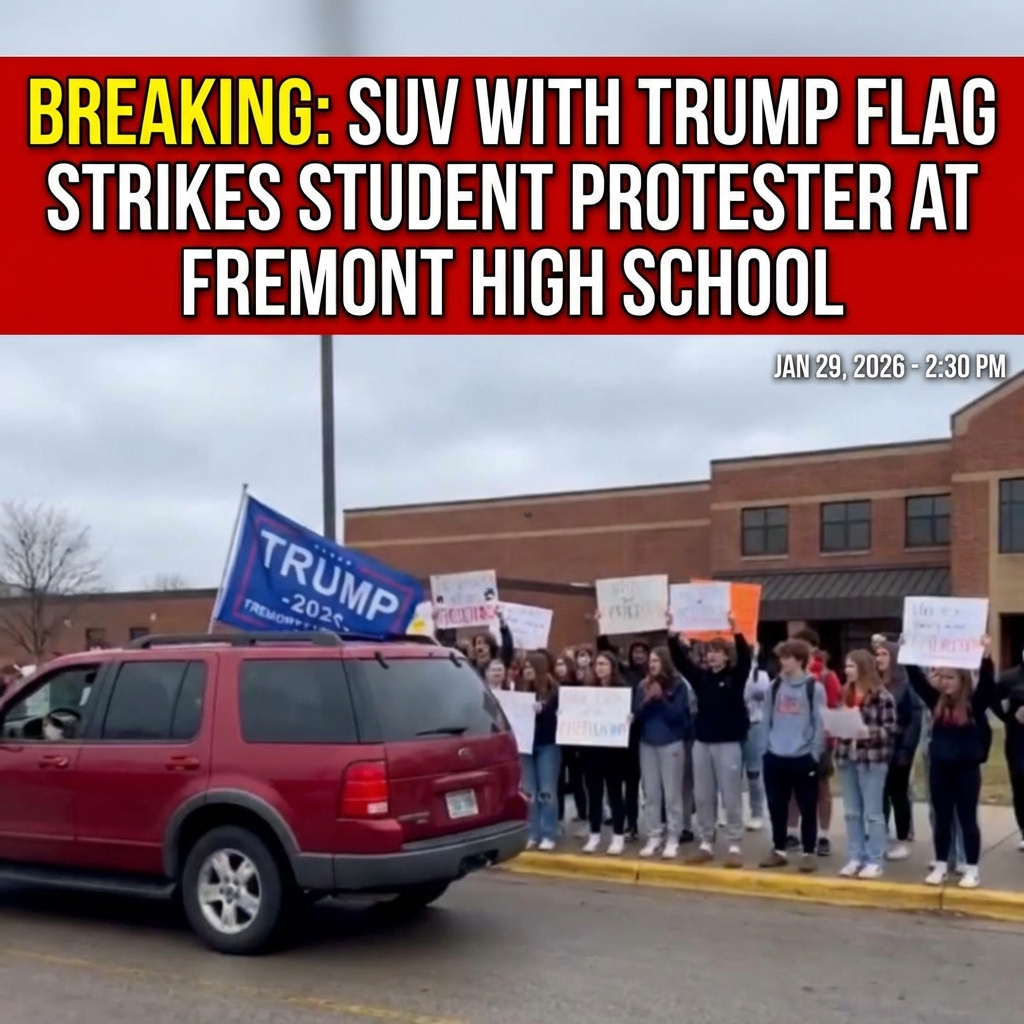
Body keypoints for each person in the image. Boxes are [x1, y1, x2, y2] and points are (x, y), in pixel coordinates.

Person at [904, 636, 996, 889]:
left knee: (967, 818)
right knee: (941, 817)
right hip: (940, 767)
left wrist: (986, 656)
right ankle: (941, 864)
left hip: (966, 768)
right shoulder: (936, 701)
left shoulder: (974, 703)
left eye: (950, 677)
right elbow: (916, 680)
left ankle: (972, 868)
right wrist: (908, 650)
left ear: (962, 679)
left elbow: (988, 683)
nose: (944, 682)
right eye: (942, 677)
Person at [668, 616, 752, 868]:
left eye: (717, 652)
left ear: (727, 656)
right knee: (703, 796)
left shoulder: (736, 677)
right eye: (709, 652)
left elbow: (746, 658)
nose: (712, 656)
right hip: (702, 743)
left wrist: (736, 631)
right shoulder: (701, 678)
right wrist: (672, 636)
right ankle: (706, 841)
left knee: (730, 795)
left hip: (728, 743)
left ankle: (734, 843)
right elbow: (681, 662)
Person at [760, 639, 827, 873]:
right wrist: (765, 749)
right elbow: (766, 718)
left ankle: (809, 851)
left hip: (802, 757)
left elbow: (820, 723)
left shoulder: (814, 688)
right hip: (775, 754)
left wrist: (814, 754)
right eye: (782, 657)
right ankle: (778, 849)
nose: (783, 662)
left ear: (799, 660)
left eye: (788, 657)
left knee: (807, 807)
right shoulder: (774, 686)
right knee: (776, 806)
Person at [835, 649, 897, 879]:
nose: (847, 670)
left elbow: (890, 729)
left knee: (872, 812)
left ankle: (875, 859)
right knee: (851, 811)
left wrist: (866, 731)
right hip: (847, 756)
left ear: (863, 668)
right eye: (846, 666)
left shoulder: (882, 697)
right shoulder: (846, 693)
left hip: (872, 759)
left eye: (851, 666)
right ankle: (855, 856)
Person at [785, 629, 842, 857]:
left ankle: (824, 836)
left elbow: (834, 706)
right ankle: (791, 832)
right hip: (792, 741)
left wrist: (826, 739)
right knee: (792, 791)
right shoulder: (787, 676)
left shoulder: (827, 677)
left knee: (821, 789)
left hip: (818, 741)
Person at [632, 646, 692, 859]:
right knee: (651, 793)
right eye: (651, 660)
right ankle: (654, 835)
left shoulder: (679, 685)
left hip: (671, 744)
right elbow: (637, 716)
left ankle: (674, 836)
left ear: (665, 662)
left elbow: (679, 717)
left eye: (656, 660)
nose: (652, 664)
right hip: (648, 744)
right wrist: (648, 700)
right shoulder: (642, 685)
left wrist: (661, 699)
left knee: (672, 794)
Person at [873, 637, 924, 861]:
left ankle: (903, 839)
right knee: (879, 793)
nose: (879, 658)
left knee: (898, 793)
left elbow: (915, 718)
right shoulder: (874, 683)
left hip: (898, 747)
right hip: (876, 748)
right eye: (877, 654)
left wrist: (906, 750)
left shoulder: (905, 685)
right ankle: (880, 833)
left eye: (885, 654)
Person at [597, 634, 650, 841]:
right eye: (597, 664)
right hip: (610, 741)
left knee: (631, 786)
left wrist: (634, 715)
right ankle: (620, 823)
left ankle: (633, 824)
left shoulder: (633, 682)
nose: (638, 655)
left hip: (631, 741)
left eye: (642, 652)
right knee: (614, 788)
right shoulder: (620, 674)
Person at [580, 651, 630, 855]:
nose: (599, 668)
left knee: (615, 793)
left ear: (612, 667)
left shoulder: (622, 690)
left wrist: (629, 718)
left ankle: (618, 836)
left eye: (604, 664)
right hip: (592, 750)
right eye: (597, 664)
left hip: (614, 750)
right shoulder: (588, 691)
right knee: (594, 794)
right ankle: (594, 834)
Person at [518, 653, 561, 851]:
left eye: (530, 667)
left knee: (546, 791)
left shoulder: (554, 692)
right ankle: (532, 833)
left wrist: (544, 711)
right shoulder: (518, 691)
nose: (527, 671)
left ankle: (549, 833)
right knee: (529, 792)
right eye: (524, 667)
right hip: (526, 746)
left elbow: (560, 721)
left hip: (547, 745)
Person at [554, 655, 588, 831]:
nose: (560, 668)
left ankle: (583, 811)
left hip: (574, 740)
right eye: (557, 664)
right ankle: (558, 816)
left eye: (562, 664)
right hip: (558, 739)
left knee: (577, 778)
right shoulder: (552, 688)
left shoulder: (577, 687)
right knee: (559, 779)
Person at [996, 655, 1024, 851]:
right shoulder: (1010, 677)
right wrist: (1008, 717)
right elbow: (991, 697)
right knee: (1021, 787)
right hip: (1018, 741)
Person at [743, 645, 772, 831]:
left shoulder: (760, 675)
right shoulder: (733, 673)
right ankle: (727, 811)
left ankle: (757, 812)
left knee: (754, 772)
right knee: (730, 771)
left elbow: (766, 696)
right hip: (735, 725)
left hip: (755, 725)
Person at [471, 611, 513, 680]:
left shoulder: (498, 663)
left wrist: (503, 624)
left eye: (486, 643)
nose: (482, 646)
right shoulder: (470, 665)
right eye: (479, 643)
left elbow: (508, 646)